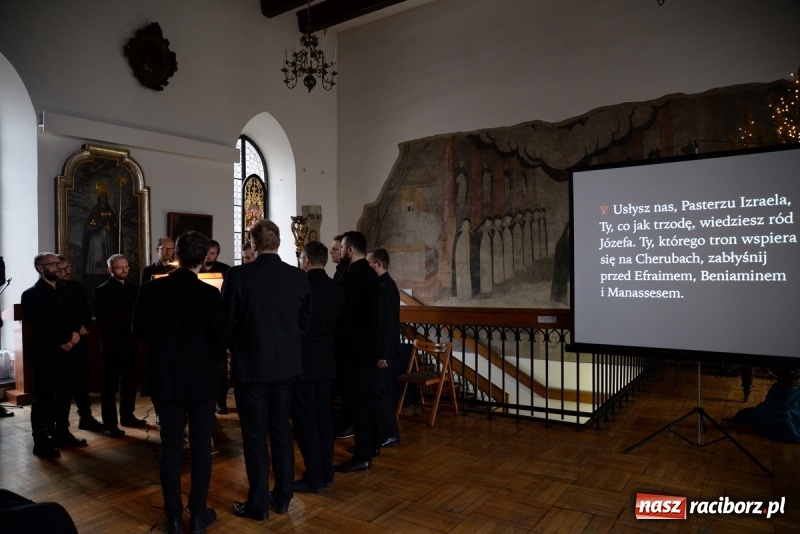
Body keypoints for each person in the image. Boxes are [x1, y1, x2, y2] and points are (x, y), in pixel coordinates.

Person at [132, 232, 226, 534]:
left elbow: (139, 332)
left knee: (171, 447)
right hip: (201, 380)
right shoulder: (211, 295)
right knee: (200, 446)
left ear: (177, 256)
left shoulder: (151, 290)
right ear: (202, 259)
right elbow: (220, 341)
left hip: (166, 379)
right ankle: (198, 513)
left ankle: (172, 517)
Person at [222, 219, 311, 520]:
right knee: (282, 432)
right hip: (286, 367)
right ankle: (283, 497)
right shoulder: (298, 277)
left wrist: (239, 344)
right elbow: (305, 324)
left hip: (251, 367)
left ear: (253, 245)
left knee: (255, 436)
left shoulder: (238, 276)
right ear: (280, 243)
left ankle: (258, 504)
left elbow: (226, 324)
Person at [21, 253, 89, 458]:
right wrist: (68, 339)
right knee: (43, 399)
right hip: (46, 354)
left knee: (63, 395)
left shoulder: (64, 291)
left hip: (68, 352)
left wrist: (73, 338)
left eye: (59, 263)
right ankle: (40, 442)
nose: (59, 267)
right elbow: (43, 326)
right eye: (53, 264)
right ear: (41, 268)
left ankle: (62, 432)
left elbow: (74, 316)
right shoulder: (31, 294)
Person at [292, 241, 345, 493]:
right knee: (324, 418)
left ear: (306, 259)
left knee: (305, 420)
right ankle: (327, 472)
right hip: (327, 361)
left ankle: (314, 476)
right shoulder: (336, 288)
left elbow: (295, 324)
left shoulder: (302, 285)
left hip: (304, 362)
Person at [334, 231, 380, 473]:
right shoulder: (369, 273)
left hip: (354, 349)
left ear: (350, 250)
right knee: (365, 401)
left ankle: (363, 456)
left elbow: (346, 316)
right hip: (366, 348)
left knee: (357, 403)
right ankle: (369, 447)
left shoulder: (354, 276)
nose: (340, 251)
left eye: (341, 248)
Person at [93, 254, 144, 437]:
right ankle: (110, 423)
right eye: (119, 267)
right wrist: (128, 324)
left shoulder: (133, 289)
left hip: (130, 343)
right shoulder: (102, 290)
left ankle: (127, 416)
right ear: (110, 270)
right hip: (112, 344)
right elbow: (104, 319)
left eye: (126, 267)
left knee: (129, 383)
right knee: (109, 385)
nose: (124, 270)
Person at [56, 255, 103, 432]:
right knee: (62, 388)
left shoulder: (76, 286)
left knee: (81, 382)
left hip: (79, 342)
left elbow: (85, 308)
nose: (68, 271)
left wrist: (84, 325)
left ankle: (86, 416)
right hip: (63, 344)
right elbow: (60, 316)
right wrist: (75, 330)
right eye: (62, 269)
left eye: (68, 267)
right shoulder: (52, 290)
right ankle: (60, 426)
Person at [366, 247, 402, 448]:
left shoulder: (387, 286)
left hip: (384, 352)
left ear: (378, 264)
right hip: (380, 350)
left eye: (369, 263)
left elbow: (388, 323)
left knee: (381, 394)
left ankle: (389, 433)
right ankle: (383, 432)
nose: (367, 266)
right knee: (378, 393)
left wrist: (383, 354)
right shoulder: (380, 285)